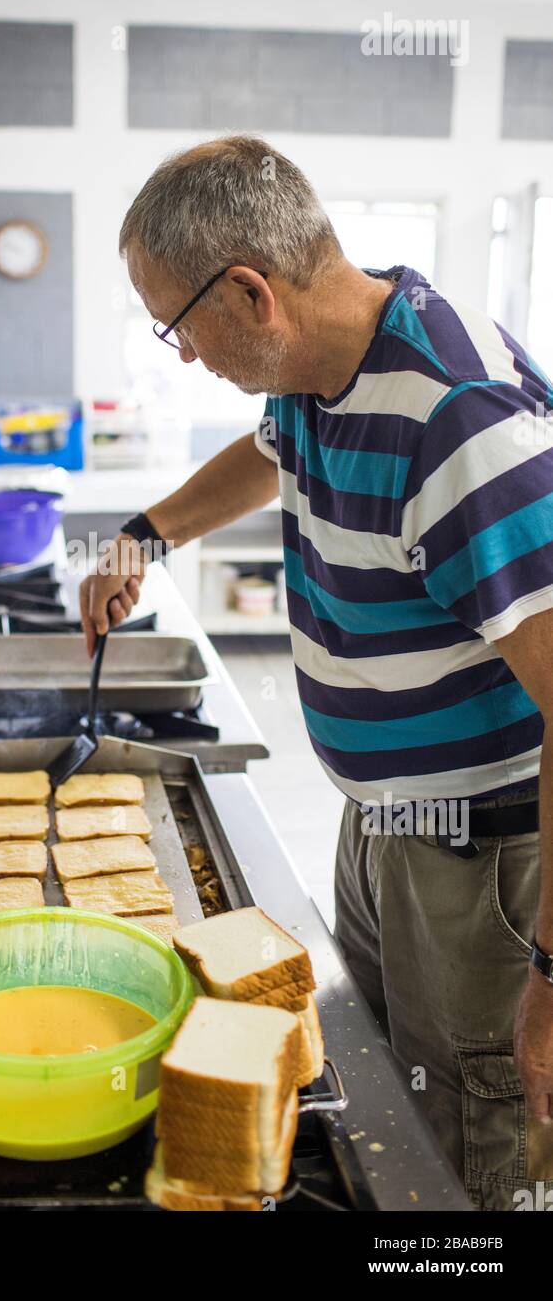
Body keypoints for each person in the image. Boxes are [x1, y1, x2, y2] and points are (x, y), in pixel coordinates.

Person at [79, 135, 553, 1210]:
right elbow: (268, 451)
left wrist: (552, 981)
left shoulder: (457, 421)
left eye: (176, 325)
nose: (181, 355)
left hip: (486, 860)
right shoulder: (321, 362)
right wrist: (141, 537)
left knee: (468, 1139)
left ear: (248, 292)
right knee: (388, 1088)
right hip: (384, 823)